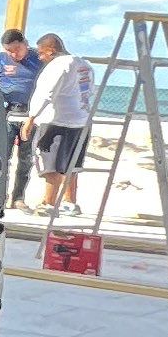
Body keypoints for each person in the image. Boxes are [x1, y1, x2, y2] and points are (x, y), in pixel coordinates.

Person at [25, 33, 97, 216]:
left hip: (56, 120)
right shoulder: (85, 65)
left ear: (51, 50)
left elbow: (46, 93)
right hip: (81, 121)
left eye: (41, 53)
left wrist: (31, 118)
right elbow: (89, 92)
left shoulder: (57, 65)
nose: (40, 57)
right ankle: (70, 202)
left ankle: (48, 203)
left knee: (50, 163)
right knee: (71, 163)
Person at [0, 27, 39, 208]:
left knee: (25, 159)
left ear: (25, 44)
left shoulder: (39, 59)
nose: (14, 54)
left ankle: (18, 198)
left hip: (31, 114)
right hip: (8, 112)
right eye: (9, 51)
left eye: (17, 49)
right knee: (3, 157)